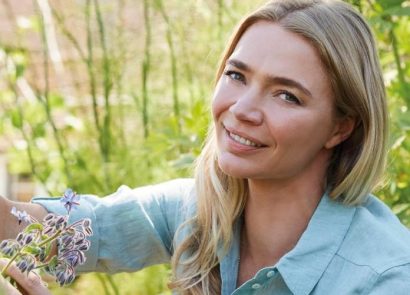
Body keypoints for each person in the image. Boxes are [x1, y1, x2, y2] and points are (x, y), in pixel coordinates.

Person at [1, 0, 410, 294]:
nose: (242, 109)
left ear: (341, 128)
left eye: (286, 95)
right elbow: (72, 233)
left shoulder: (385, 277)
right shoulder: (200, 209)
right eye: (237, 75)